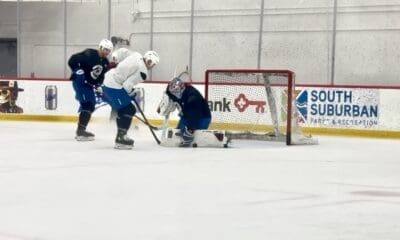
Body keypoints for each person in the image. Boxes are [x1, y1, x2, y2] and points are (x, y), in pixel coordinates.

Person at [102, 49, 159, 149]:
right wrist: (131, 93)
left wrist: (116, 56)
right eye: (152, 63)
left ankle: (120, 135)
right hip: (113, 85)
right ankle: (121, 138)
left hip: (108, 78)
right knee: (129, 109)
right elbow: (127, 85)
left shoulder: (137, 55)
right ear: (149, 61)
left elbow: (123, 51)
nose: (152, 66)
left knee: (123, 109)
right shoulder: (143, 72)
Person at [68, 39, 113, 141]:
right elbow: (72, 60)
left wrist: (98, 85)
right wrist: (77, 70)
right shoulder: (89, 53)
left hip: (88, 85)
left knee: (91, 105)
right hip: (80, 83)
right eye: (105, 49)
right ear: (100, 47)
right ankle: (80, 132)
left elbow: (101, 76)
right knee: (87, 105)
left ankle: (81, 129)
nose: (106, 52)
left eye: (109, 50)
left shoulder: (105, 62)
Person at [163, 77, 212, 147]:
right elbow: (170, 93)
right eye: (173, 92)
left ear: (181, 88)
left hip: (202, 117)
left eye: (176, 91)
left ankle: (190, 133)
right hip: (186, 116)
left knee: (197, 136)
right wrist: (167, 92)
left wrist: (190, 130)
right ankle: (188, 132)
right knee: (178, 133)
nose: (175, 94)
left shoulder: (193, 97)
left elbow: (195, 114)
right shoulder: (175, 92)